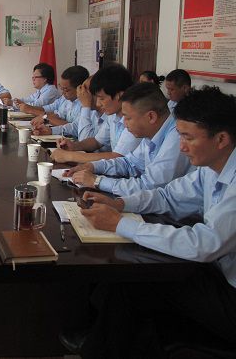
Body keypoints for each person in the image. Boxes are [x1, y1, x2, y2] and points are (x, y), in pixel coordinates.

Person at [63, 86, 236, 358]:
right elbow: (168, 196)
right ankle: (102, 337)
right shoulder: (212, 168)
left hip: (229, 293)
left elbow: (204, 245)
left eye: (188, 138)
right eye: (180, 135)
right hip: (215, 271)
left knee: (133, 284)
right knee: (128, 275)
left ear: (221, 139)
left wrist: (120, 224)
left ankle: (98, 347)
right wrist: (121, 204)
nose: (181, 146)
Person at [65, 83, 192, 196]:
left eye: (128, 118)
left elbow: (150, 186)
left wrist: (97, 181)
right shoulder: (152, 133)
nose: (125, 124)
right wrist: (93, 166)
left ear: (151, 117)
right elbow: (129, 163)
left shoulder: (178, 137)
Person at [51, 64, 141, 164]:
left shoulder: (134, 119)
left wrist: (70, 156)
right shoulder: (113, 116)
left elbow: (118, 157)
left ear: (119, 96)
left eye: (102, 98)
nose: (98, 103)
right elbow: (97, 141)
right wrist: (74, 146)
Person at [33, 75, 105, 141]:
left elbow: (84, 140)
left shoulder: (86, 107)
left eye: (66, 89)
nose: (81, 93)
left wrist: (86, 106)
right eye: (62, 89)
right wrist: (50, 130)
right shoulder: (66, 100)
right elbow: (74, 126)